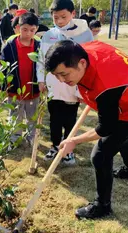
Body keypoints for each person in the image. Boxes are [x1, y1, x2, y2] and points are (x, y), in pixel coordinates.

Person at [45, 40, 128, 219]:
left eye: (64, 74)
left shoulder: (105, 87)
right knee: (120, 137)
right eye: (56, 76)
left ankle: (102, 206)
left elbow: (105, 128)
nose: (61, 80)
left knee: (100, 155)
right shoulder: (84, 51)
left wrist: (74, 140)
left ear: (81, 63)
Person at [37, 0, 93, 165]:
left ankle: (68, 151)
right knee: (54, 119)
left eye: (63, 16)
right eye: (56, 18)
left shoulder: (85, 34)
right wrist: (41, 80)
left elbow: (89, 63)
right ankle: (55, 146)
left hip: (73, 87)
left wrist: (83, 91)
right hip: (54, 87)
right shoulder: (48, 35)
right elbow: (41, 60)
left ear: (73, 14)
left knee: (70, 120)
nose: (59, 21)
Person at [0, 12, 41, 146]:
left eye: (32, 30)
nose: (28, 33)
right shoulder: (10, 46)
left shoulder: (39, 46)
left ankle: (31, 137)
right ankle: (14, 138)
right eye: (24, 29)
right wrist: (4, 87)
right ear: (18, 27)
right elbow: (3, 68)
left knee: (32, 116)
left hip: (33, 89)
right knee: (15, 115)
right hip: (15, 89)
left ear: (36, 29)